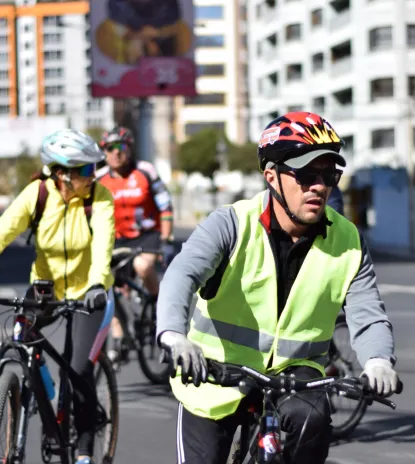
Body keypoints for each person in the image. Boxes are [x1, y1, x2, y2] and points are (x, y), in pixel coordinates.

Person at [156, 111, 399, 464]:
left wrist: (378, 361)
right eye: (306, 174)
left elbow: (368, 313)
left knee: (313, 420)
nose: (319, 185)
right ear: (272, 175)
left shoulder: (348, 240)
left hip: (295, 375)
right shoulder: (231, 224)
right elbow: (181, 275)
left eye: (329, 174)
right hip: (214, 374)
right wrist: (173, 335)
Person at [0, 129, 115, 464]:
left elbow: (104, 246)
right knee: (21, 336)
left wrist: (97, 286)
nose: (93, 177)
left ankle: (86, 450)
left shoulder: (99, 198)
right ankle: (35, 395)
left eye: (93, 170)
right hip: (46, 288)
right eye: (86, 171)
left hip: (89, 293)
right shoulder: (37, 195)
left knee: (77, 370)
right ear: (61, 172)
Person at [96, 126, 175, 361]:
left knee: (142, 267)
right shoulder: (99, 179)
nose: (116, 153)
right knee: (107, 283)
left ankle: (159, 310)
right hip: (116, 238)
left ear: (129, 148)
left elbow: (165, 206)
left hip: (146, 234)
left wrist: (167, 239)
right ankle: (120, 335)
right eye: (109, 149)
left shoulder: (145, 171)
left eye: (121, 147)